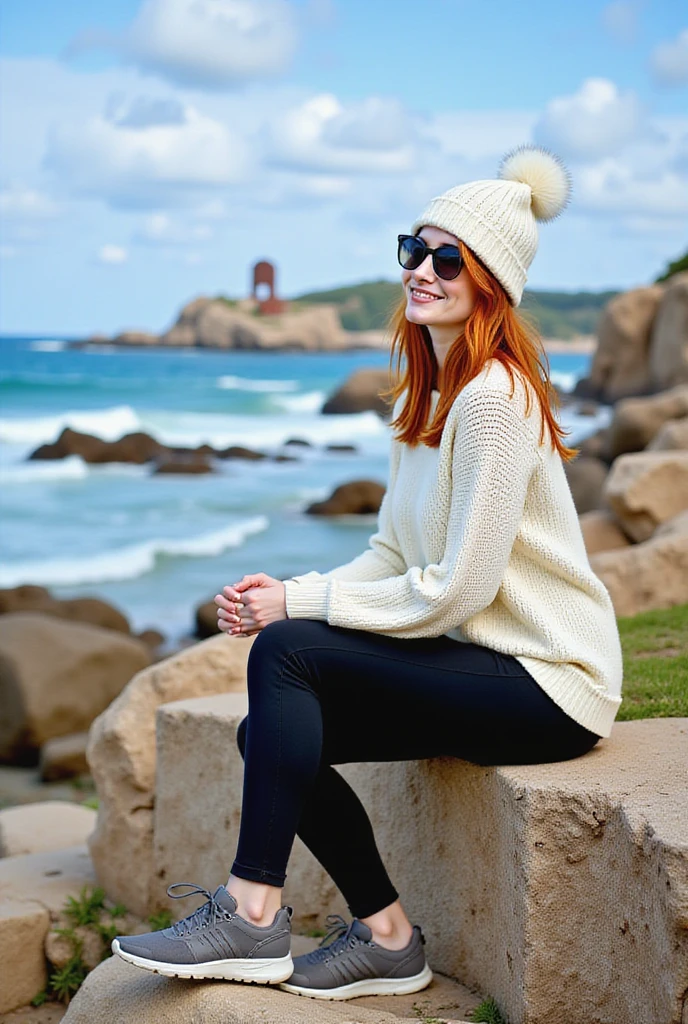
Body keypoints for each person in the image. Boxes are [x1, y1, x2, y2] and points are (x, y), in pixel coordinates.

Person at [113, 145, 623, 1001]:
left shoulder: (495, 399)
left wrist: (297, 612)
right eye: (413, 250)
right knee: (269, 732)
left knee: (288, 656)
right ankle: (387, 937)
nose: (422, 270)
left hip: (550, 681)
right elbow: (392, 554)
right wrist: (287, 594)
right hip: (488, 663)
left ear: (489, 281)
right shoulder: (425, 400)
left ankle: (251, 912)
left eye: (448, 258)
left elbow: (460, 588)